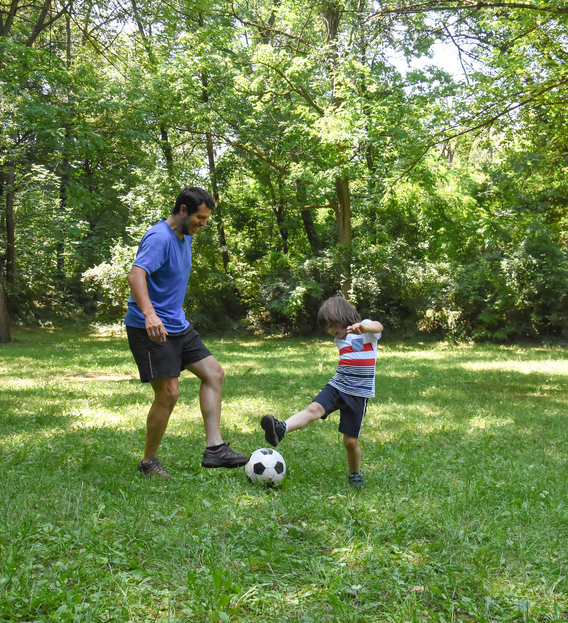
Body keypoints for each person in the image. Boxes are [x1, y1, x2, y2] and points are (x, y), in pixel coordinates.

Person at [125, 186, 249, 478]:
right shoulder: (159, 237)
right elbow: (135, 275)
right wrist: (150, 315)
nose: (203, 224)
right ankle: (148, 463)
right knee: (168, 393)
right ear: (182, 210)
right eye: (199, 218)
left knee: (214, 373)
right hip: (151, 328)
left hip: (177, 324)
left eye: (205, 219)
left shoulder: (184, 237)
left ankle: (215, 449)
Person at [260, 296, 384, 488]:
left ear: (343, 317)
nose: (330, 331)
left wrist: (364, 328)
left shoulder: (366, 329)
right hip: (337, 386)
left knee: (350, 442)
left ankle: (355, 474)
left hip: (358, 395)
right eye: (327, 328)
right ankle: (281, 428)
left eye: (332, 325)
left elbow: (378, 326)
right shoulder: (339, 340)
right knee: (313, 410)